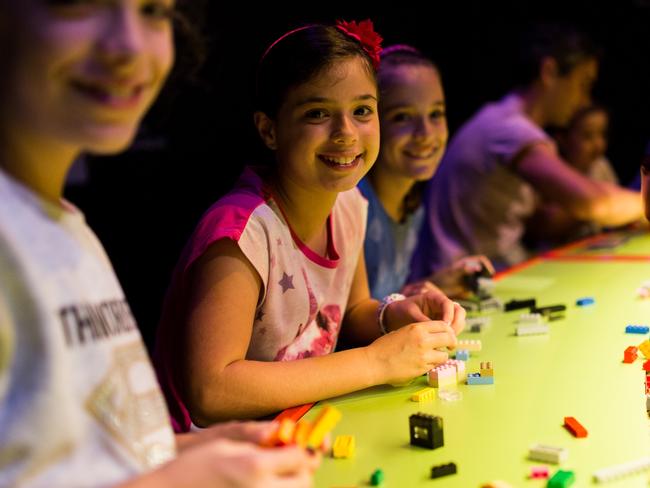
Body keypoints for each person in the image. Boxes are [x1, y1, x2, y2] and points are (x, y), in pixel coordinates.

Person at [0, 1, 317, 486]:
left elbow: (59, 457)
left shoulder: (66, 229)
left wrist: (192, 450)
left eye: (153, 10)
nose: (129, 45)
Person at [154, 21, 465, 432]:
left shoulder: (350, 204)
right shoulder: (241, 232)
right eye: (317, 113)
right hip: (209, 456)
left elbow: (351, 311)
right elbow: (211, 391)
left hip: (294, 433)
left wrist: (394, 315)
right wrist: (375, 362)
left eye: (362, 111)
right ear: (269, 129)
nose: (346, 134)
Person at [412, 23, 643, 274]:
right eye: (583, 84)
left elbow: (547, 220)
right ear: (549, 71)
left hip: (483, 268)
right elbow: (593, 203)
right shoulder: (511, 129)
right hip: (461, 280)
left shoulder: (498, 117)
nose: (585, 100)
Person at [358, 44, 494, 299]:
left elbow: (382, 301)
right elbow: (346, 320)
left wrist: (436, 285)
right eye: (402, 117)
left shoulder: (413, 208)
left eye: (435, 114)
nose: (425, 134)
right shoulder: (352, 207)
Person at [526, 104, 620, 245]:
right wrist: (599, 203)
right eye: (587, 136)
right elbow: (544, 224)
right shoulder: (548, 170)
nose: (598, 145)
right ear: (562, 138)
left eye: (602, 134)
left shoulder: (600, 166)